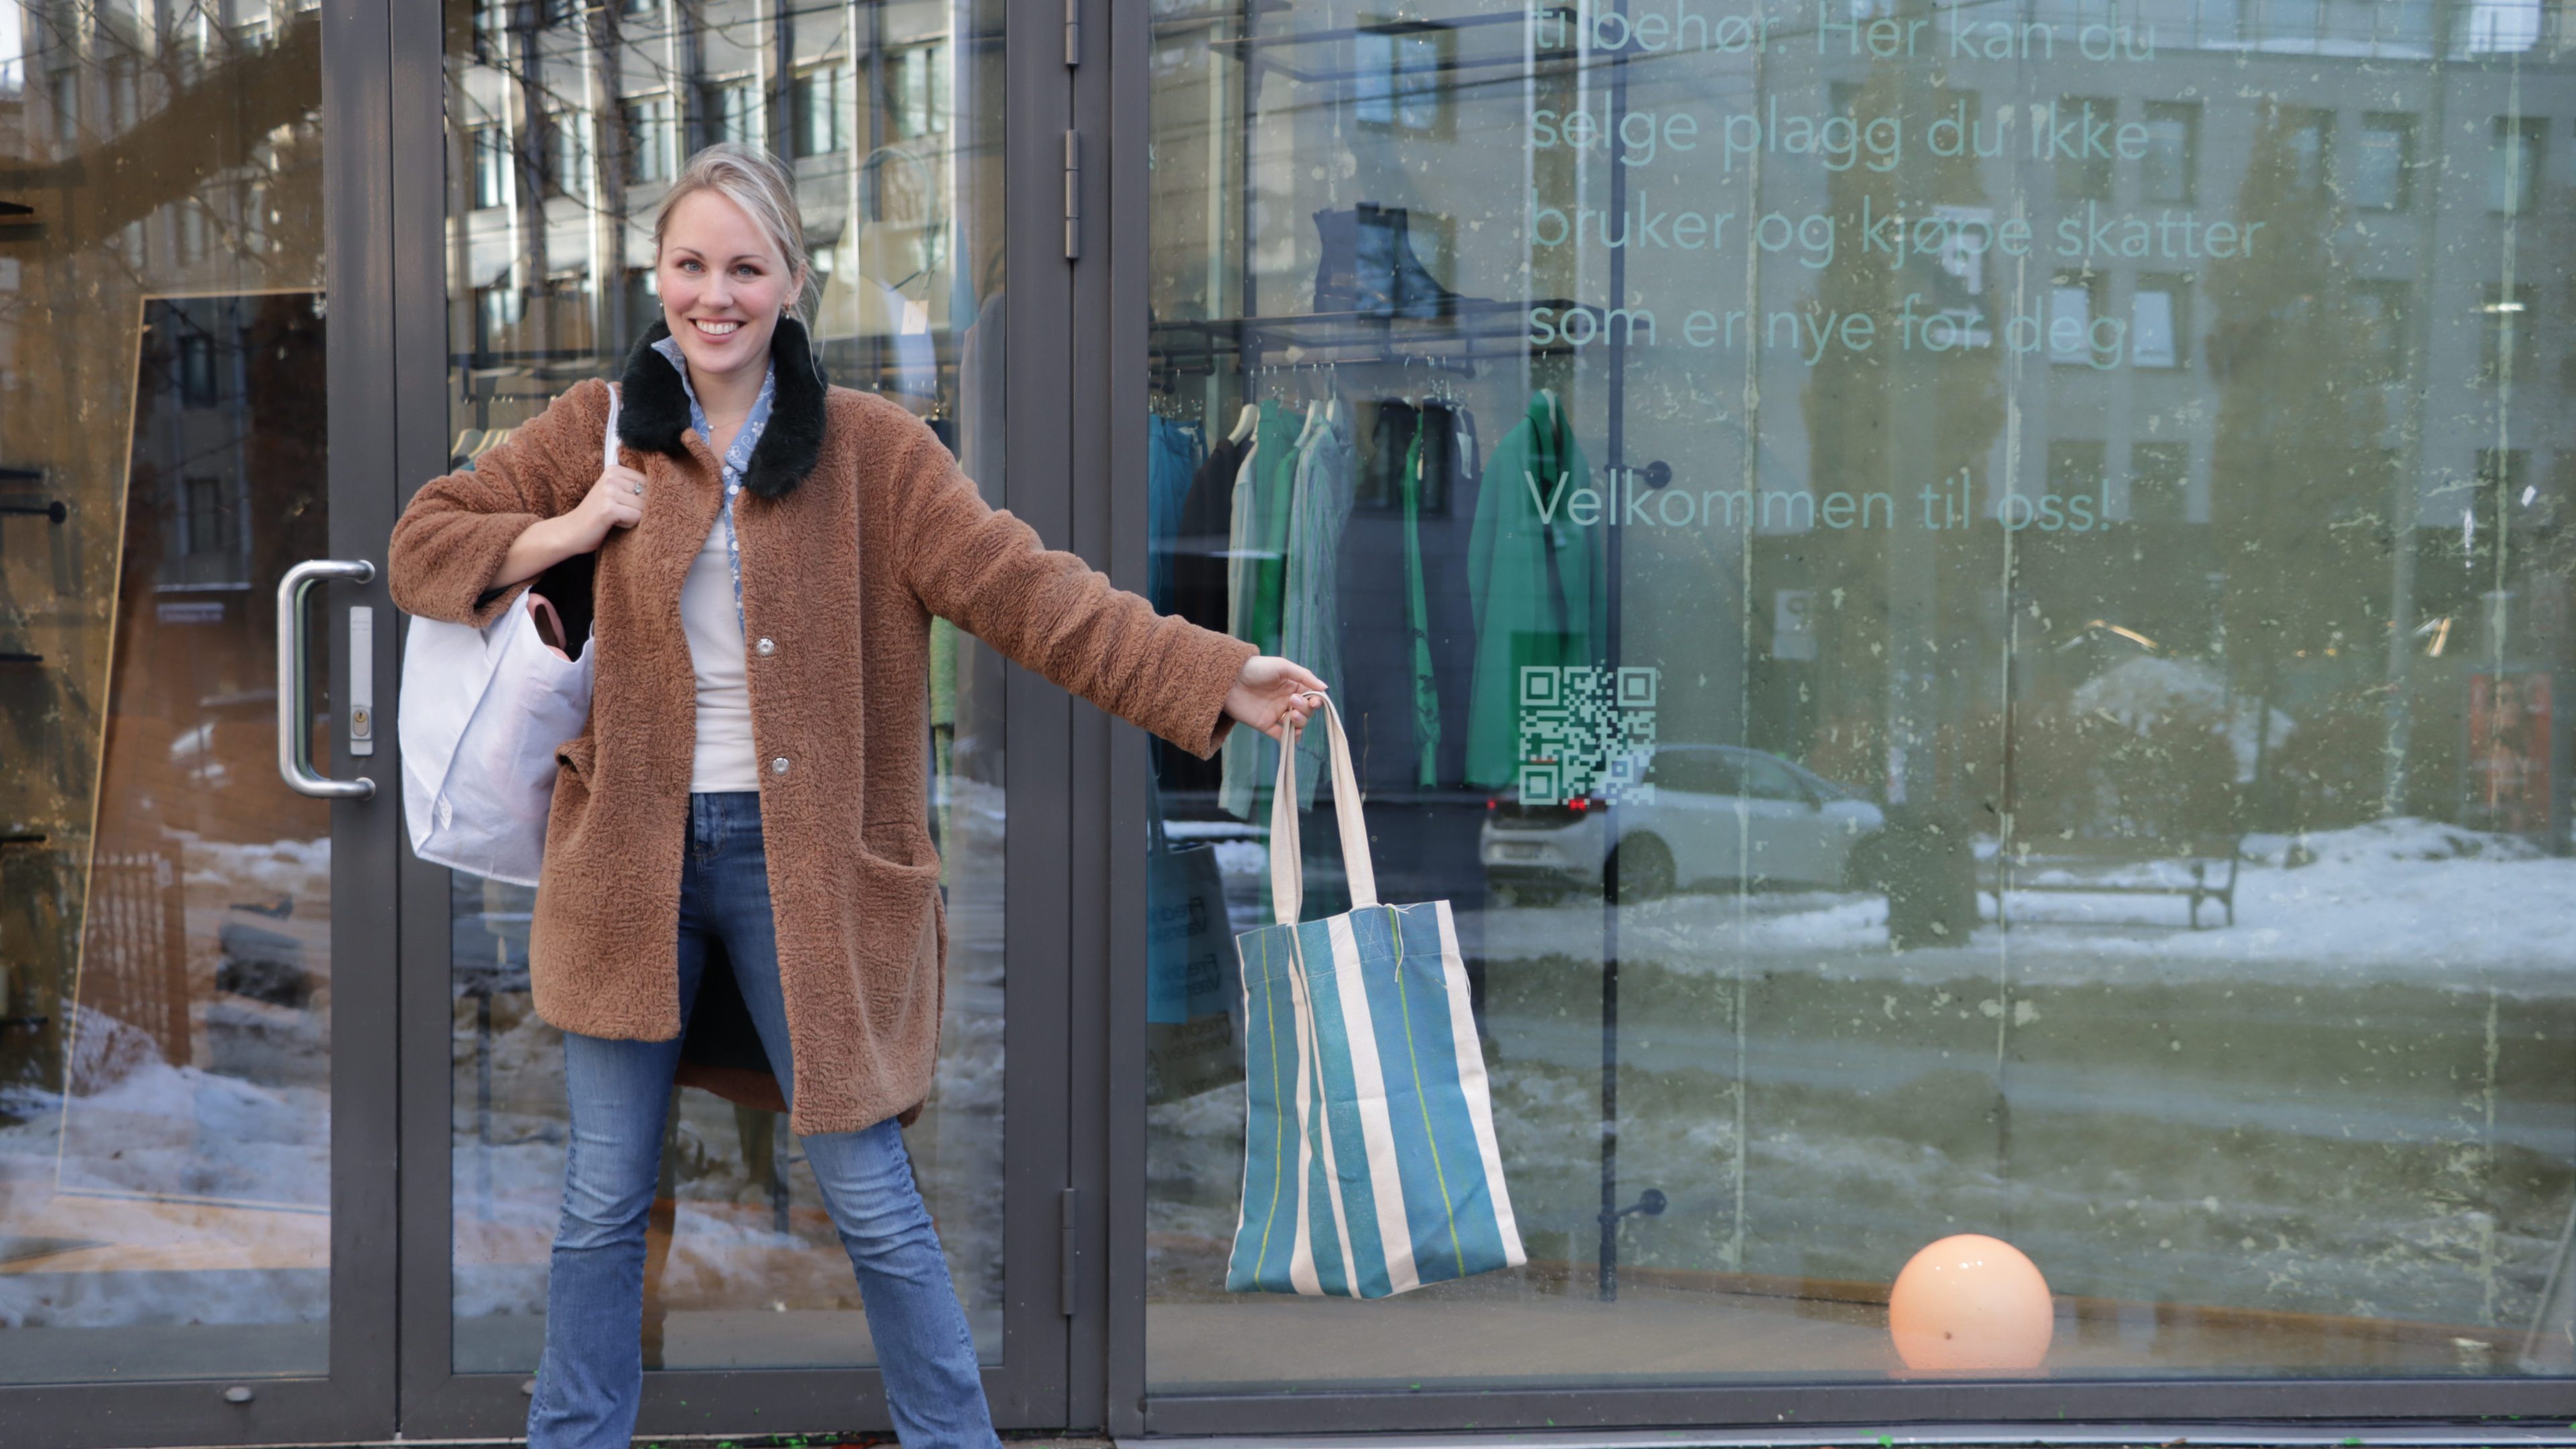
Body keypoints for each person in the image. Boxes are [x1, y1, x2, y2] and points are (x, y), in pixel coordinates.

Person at [388, 142, 1323, 1449]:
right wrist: (563, 531)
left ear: (793, 281)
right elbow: (422, 547)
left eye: (745, 268)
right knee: (603, 1202)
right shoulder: (593, 431)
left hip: (804, 877)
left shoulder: (875, 454)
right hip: (627, 871)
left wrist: (1215, 677)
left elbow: (1034, 594)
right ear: (658, 275)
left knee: (870, 1191)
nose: (715, 296)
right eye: (690, 266)